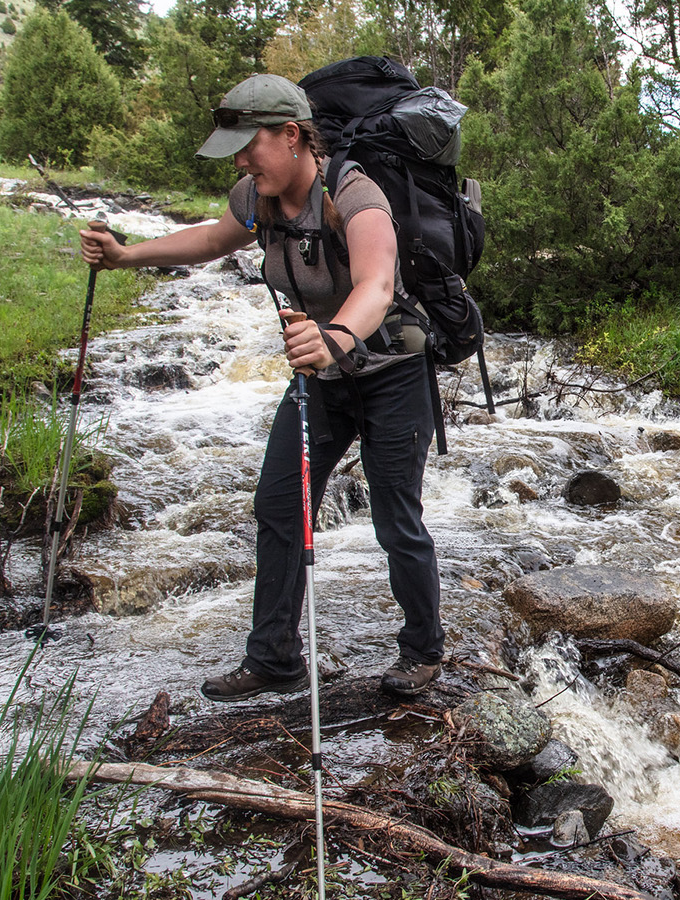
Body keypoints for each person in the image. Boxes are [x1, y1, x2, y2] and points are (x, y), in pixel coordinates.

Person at [80, 74, 445, 700]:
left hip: (390, 375)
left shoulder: (355, 191)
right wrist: (126, 255)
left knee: (394, 517)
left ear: (293, 135)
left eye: (251, 145)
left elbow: (377, 285)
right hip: (322, 377)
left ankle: (422, 651)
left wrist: (333, 337)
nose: (243, 161)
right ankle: (274, 656)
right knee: (280, 505)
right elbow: (212, 239)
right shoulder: (257, 195)